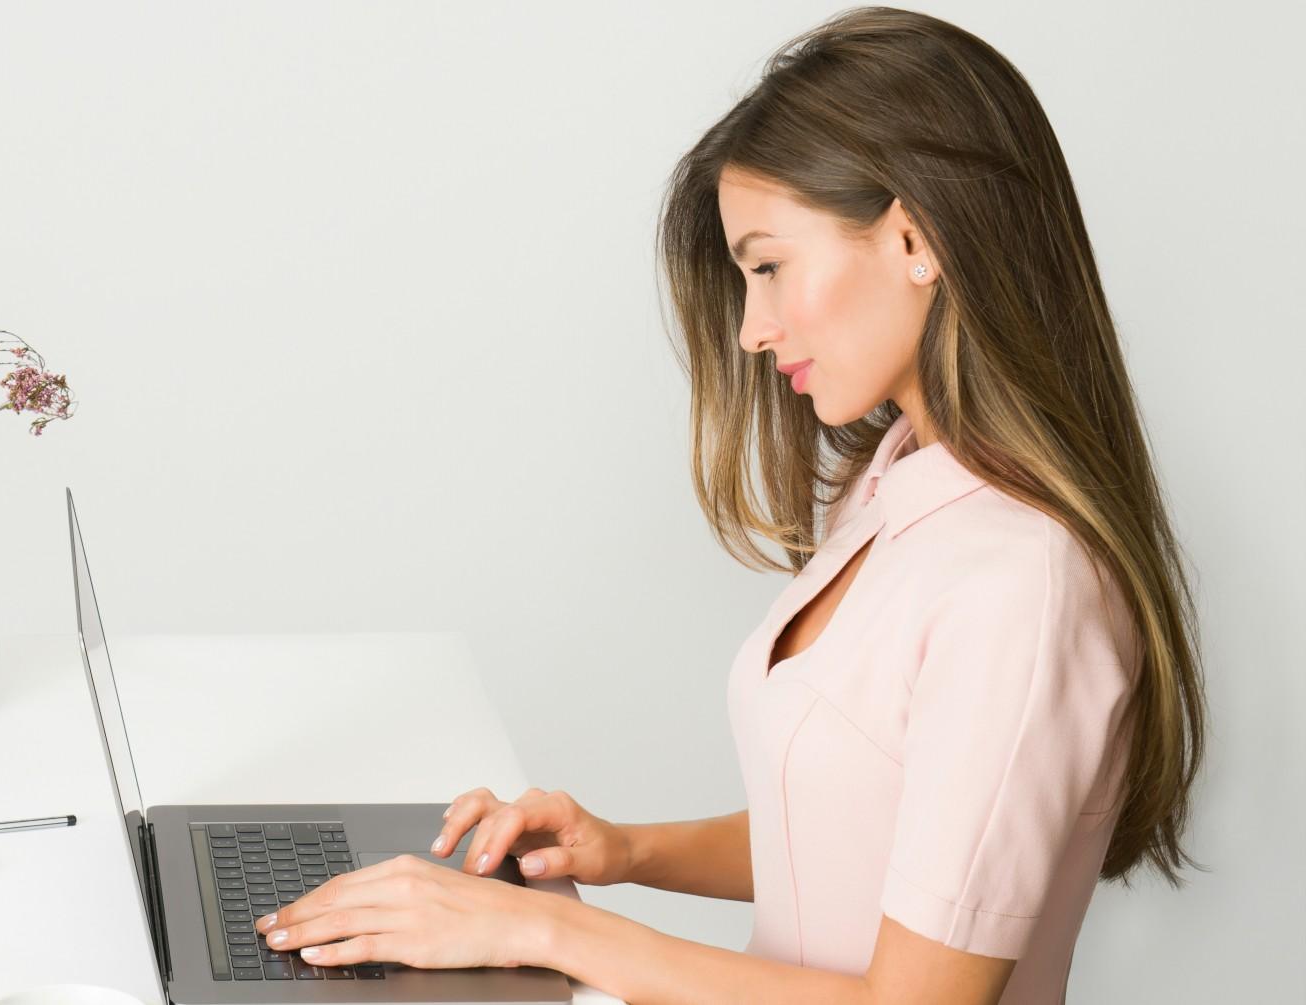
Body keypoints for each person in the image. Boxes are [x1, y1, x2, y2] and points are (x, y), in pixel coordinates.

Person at [252, 6, 1205, 1003]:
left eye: (768, 267)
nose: (752, 327)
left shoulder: (1023, 584)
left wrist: (542, 929)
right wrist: (620, 849)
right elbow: (861, 834)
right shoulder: (897, 484)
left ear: (917, 237)